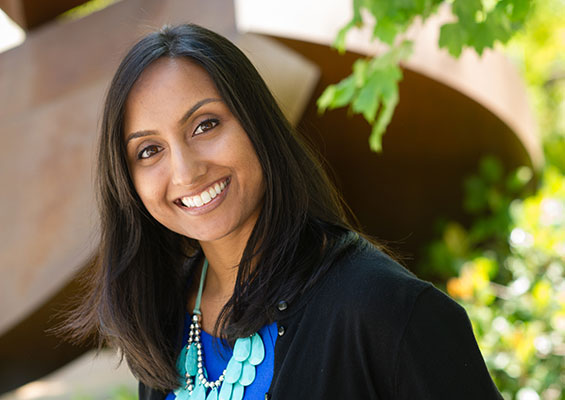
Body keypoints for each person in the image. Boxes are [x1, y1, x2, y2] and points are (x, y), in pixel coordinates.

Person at [65, 24, 503, 399]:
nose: (185, 172)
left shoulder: (387, 310)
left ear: (257, 122)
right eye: (149, 150)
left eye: (205, 125)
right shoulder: (162, 315)